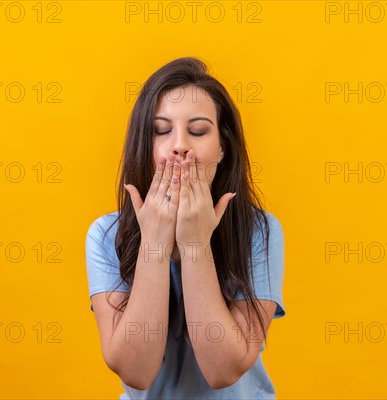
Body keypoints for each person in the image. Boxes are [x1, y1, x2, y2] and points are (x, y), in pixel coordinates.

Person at [85, 57, 286, 399]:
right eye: (161, 131)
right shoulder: (106, 235)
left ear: (223, 148)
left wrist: (195, 244)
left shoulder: (259, 231)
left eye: (197, 131)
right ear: (143, 146)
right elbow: (135, 372)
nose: (180, 145)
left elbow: (223, 370)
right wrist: (154, 244)